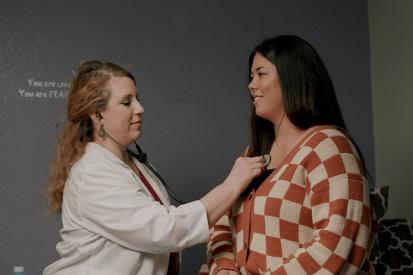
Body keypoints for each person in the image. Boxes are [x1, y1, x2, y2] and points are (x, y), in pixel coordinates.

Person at [43, 61, 266, 275]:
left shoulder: (135, 164)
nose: (140, 108)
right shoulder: (91, 174)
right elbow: (163, 230)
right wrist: (232, 185)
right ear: (98, 115)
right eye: (126, 102)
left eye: (138, 99)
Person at [200, 35, 374, 275]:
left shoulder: (330, 148)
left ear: (293, 78)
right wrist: (224, 267)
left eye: (261, 74)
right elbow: (220, 223)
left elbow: (335, 246)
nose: (251, 85)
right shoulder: (253, 155)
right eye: (251, 76)